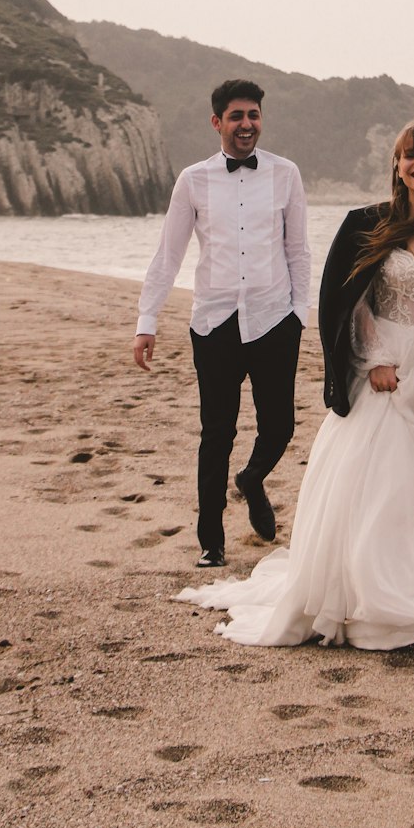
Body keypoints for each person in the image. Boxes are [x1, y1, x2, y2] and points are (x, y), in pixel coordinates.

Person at [176, 118, 414, 649]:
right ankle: (375, 603)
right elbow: (342, 300)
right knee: (378, 482)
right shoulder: (366, 222)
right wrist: (373, 356)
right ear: (397, 167)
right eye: (411, 155)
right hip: (383, 371)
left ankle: (403, 583)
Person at [134, 79, 310, 569]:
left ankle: (252, 480)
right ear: (217, 122)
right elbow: (168, 254)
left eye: (253, 114)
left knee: (279, 426)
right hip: (214, 323)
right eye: (236, 116)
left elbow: (298, 249)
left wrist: (300, 314)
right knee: (217, 432)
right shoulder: (193, 180)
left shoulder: (286, 174)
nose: (247, 124)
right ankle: (211, 541)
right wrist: (146, 320)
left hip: (276, 318)